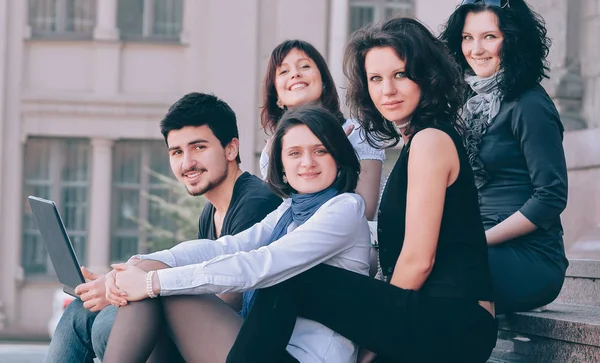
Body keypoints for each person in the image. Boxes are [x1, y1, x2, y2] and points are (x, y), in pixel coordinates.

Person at [225, 18, 498, 363]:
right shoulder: (419, 140)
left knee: (288, 278)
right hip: (438, 314)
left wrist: (374, 341)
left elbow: (419, 260)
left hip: (452, 320)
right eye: (375, 79)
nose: (388, 90)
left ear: (426, 76)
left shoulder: (431, 141)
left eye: (400, 74)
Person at [101, 105, 371, 363]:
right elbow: (228, 247)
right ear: (283, 168)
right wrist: (136, 265)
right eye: (295, 153)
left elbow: (260, 265)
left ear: (337, 156)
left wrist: (151, 282)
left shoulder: (345, 208)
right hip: (265, 344)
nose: (307, 162)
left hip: (300, 358)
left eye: (320, 151)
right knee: (150, 274)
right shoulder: (290, 210)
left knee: (161, 288)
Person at [44, 92, 281, 363]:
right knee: (81, 311)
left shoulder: (256, 203)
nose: (187, 163)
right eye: (177, 152)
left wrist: (132, 288)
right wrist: (118, 286)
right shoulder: (211, 212)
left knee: (94, 319)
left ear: (231, 148)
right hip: (193, 328)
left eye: (199, 148)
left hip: (235, 342)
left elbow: (229, 298)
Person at [439, 0, 569, 314]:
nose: (476, 49)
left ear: (513, 39)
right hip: (477, 245)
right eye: (467, 38)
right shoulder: (468, 102)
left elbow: (551, 196)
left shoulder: (529, 104)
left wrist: (478, 241)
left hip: (531, 257)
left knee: (444, 271)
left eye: (490, 37)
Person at [259, 39, 384, 221]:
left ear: (324, 82)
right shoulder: (271, 151)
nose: (295, 74)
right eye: (284, 71)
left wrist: (336, 148)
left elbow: (364, 213)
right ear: (277, 96)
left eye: (304, 66)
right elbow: (280, 217)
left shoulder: (358, 132)